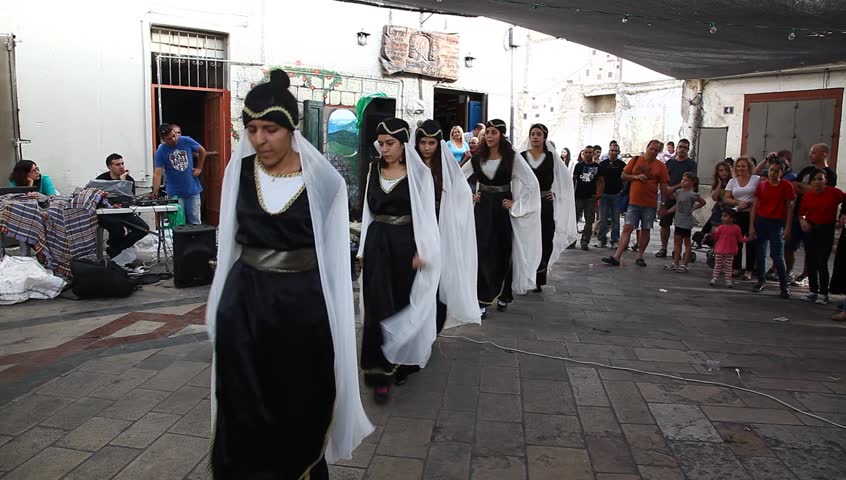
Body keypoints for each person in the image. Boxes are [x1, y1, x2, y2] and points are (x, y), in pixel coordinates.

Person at [206, 69, 373, 479]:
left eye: (269, 129)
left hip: (302, 306)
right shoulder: (239, 175)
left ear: (291, 128)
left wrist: (336, 317)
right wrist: (218, 309)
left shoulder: (326, 182)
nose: (259, 139)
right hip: (245, 303)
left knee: (300, 398)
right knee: (243, 400)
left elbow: (334, 259)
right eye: (251, 129)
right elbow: (228, 245)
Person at [358, 118, 441, 402]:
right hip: (377, 243)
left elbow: (427, 216)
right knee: (376, 306)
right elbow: (368, 213)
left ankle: (403, 360)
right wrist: (361, 251)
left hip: (406, 246)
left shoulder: (419, 174)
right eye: (381, 143)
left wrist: (425, 250)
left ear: (404, 144)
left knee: (402, 303)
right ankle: (378, 366)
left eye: (390, 143)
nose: (384, 148)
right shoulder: (373, 170)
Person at [463, 119, 541, 318]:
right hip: (482, 210)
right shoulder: (477, 157)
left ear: (501, 135)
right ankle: (482, 299)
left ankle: (504, 294)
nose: (489, 136)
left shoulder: (511, 158)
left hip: (501, 211)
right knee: (481, 252)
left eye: (493, 132)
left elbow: (532, 183)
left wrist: (516, 204)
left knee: (502, 252)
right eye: (487, 132)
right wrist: (469, 195)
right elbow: (457, 178)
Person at [415, 120, 479, 333]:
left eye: (431, 143)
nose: (426, 148)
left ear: (438, 144)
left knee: (439, 276)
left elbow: (461, 194)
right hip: (414, 230)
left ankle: (433, 327)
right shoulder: (411, 166)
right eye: (422, 142)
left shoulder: (446, 168)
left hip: (440, 229)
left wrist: (458, 210)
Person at [520, 124, 578, 291]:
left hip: (545, 205)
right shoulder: (522, 156)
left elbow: (565, 180)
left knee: (545, 239)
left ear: (544, 137)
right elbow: (516, 180)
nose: (535, 137)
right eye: (532, 134)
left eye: (539, 134)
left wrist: (555, 193)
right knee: (527, 240)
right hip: (529, 205)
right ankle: (525, 274)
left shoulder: (552, 157)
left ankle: (538, 277)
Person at [602, 140, 669, 267]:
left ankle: (640, 256)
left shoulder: (661, 166)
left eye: (656, 150)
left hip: (650, 202)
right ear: (647, 147)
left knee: (646, 229)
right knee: (628, 227)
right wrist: (636, 177)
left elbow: (664, 185)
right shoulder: (636, 160)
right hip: (634, 201)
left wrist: (663, 203)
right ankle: (617, 256)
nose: (653, 152)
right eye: (652, 149)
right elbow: (624, 175)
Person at [787, 144, 837, 286]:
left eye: (814, 153)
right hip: (799, 214)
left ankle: (806, 275)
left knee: (811, 250)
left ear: (824, 154)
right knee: (789, 245)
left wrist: (804, 188)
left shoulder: (830, 174)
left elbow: (823, 193)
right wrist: (808, 189)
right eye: (810, 152)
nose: (810, 155)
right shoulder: (807, 170)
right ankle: (788, 271)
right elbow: (794, 186)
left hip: (815, 218)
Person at [749, 158, 796, 297]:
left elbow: (789, 207)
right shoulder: (762, 185)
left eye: (777, 171)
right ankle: (761, 280)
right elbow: (755, 206)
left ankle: (784, 285)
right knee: (760, 253)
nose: (773, 173)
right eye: (771, 170)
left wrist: (788, 227)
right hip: (761, 221)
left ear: (782, 172)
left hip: (776, 224)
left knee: (777, 255)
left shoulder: (786, 186)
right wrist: (751, 226)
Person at [797, 168, 844, 304]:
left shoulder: (834, 193)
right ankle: (813, 290)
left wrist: (842, 216)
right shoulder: (808, 196)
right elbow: (801, 213)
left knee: (822, 261)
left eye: (820, 179)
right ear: (810, 182)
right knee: (811, 260)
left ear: (826, 180)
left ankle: (823, 293)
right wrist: (803, 221)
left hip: (826, 229)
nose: (817, 182)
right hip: (811, 229)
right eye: (815, 179)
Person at [95, 153, 149, 258]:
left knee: (143, 228)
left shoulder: (128, 179)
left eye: (122, 163)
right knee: (117, 228)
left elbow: (129, 200)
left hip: (123, 212)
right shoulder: (101, 180)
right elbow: (97, 199)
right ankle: (116, 251)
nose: (121, 166)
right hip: (106, 213)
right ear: (109, 167)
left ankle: (115, 249)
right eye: (117, 164)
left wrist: (123, 182)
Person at [152, 123, 206, 224]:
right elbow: (157, 173)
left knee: (195, 222)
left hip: (192, 190)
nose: (174, 140)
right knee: (178, 223)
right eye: (169, 139)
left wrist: (199, 168)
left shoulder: (186, 140)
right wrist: (155, 191)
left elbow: (202, 150)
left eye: (174, 136)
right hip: (175, 193)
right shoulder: (161, 151)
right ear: (163, 139)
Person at [656, 139, 697, 258]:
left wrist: (673, 189)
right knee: (664, 223)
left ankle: (677, 250)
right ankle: (663, 248)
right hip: (668, 198)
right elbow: (663, 180)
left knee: (680, 226)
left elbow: (689, 181)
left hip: (683, 198)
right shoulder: (669, 163)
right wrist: (666, 191)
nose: (682, 149)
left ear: (688, 150)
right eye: (680, 147)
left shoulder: (691, 164)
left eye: (685, 147)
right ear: (677, 148)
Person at [723, 156, 759, 280]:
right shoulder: (733, 181)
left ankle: (749, 270)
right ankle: (736, 267)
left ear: (749, 167)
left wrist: (750, 204)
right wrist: (738, 203)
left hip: (751, 214)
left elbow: (759, 196)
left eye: (743, 166)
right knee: (737, 241)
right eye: (738, 166)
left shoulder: (756, 179)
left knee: (750, 241)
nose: (740, 168)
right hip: (737, 213)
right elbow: (727, 198)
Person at [662, 173, 706, 272]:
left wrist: (694, 208)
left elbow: (703, 202)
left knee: (686, 242)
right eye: (682, 179)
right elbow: (674, 200)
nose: (683, 181)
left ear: (692, 182)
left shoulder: (693, 194)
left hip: (686, 221)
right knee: (677, 242)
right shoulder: (679, 192)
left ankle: (685, 264)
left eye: (686, 180)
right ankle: (675, 263)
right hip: (678, 219)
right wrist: (668, 211)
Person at [596, 143, 626, 248]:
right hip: (604, 195)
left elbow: (624, 179)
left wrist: (622, 191)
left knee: (616, 220)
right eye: (612, 150)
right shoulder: (603, 164)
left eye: (616, 151)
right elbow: (599, 179)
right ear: (609, 151)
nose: (613, 152)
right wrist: (599, 192)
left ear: (618, 152)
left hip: (616, 195)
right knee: (603, 219)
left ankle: (615, 240)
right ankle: (601, 239)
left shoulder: (622, 165)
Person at [572, 144, 601, 250]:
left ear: (593, 153)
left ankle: (585, 241)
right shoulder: (578, 166)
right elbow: (574, 180)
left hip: (591, 197)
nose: (588, 154)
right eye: (586, 152)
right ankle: (572, 240)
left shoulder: (597, 167)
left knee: (589, 221)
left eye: (590, 152)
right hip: (578, 196)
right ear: (583, 153)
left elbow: (601, 180)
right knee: (574, 220)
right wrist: (571, 193)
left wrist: (599, 193)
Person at [709, 209, 748, 288]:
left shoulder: (736, 228)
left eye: (725, 216)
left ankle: (728, 280)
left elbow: (740, 239)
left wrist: (748, 239)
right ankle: (714, 278)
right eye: (722, 216)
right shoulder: (720, 227)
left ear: (732, 218)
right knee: (718, 266)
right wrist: (713, 233)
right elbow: (716, 238)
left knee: (729, 267)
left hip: (730, 251)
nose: (722, 218)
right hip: (720, 250)